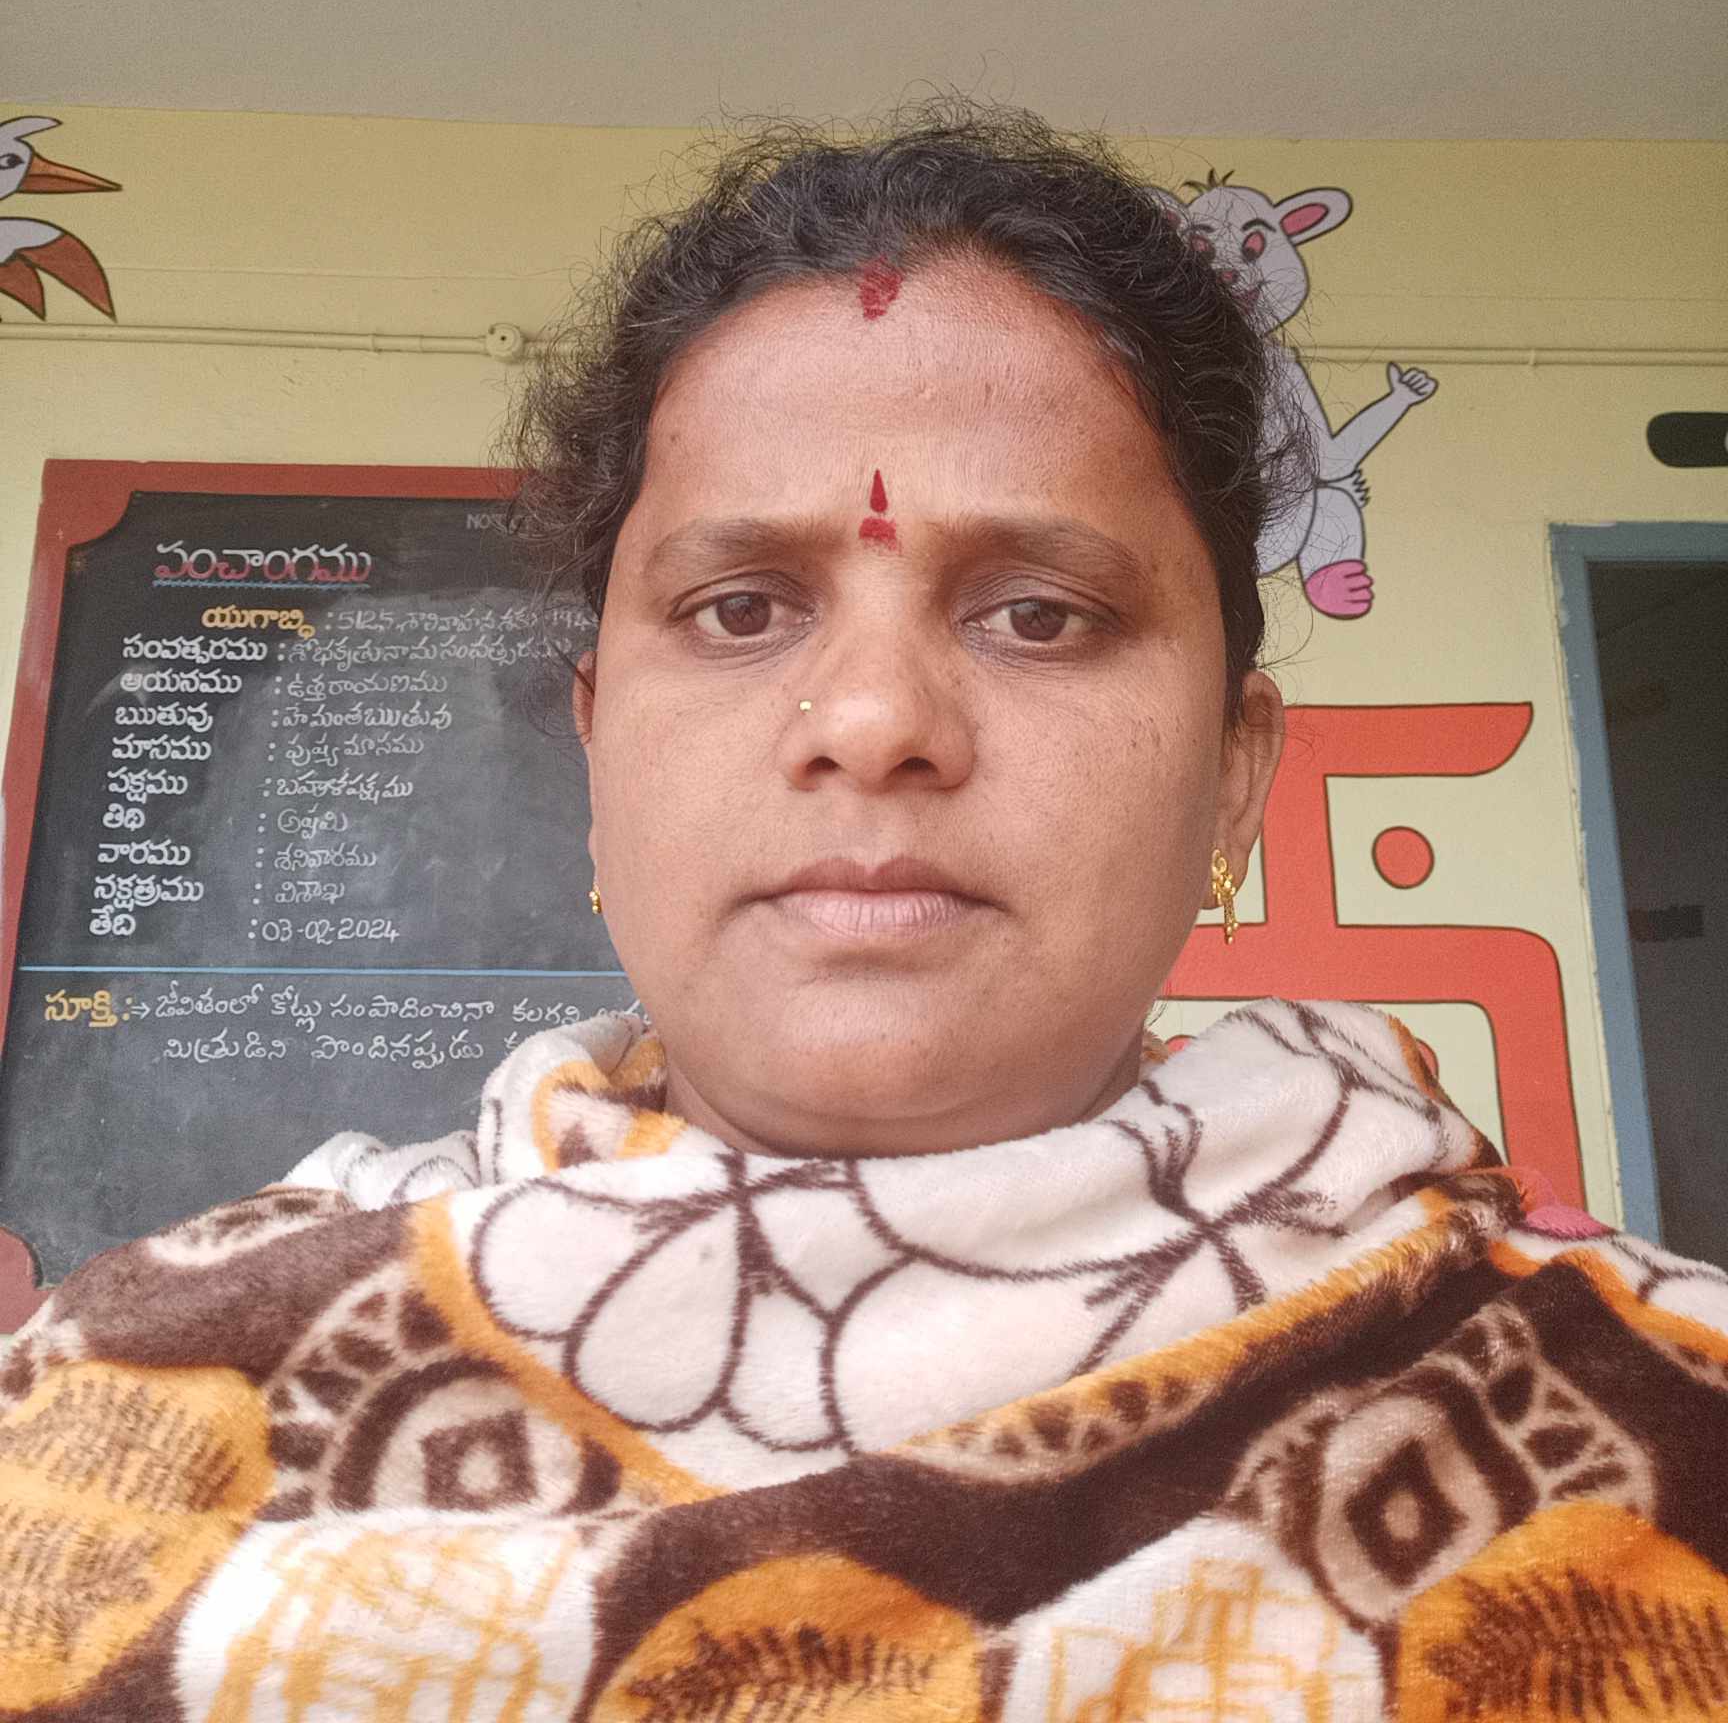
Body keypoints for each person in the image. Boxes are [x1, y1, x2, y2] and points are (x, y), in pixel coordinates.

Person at [1, 104, 1724, 1719]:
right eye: (742, 607)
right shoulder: (124, 1401)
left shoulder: (1667, 1416)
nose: (876, 720)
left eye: (1039, 613)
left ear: (1232, 774)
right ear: (597, 749)